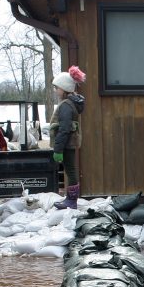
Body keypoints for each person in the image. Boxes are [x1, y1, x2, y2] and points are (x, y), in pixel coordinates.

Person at [50, 66, 86, 210]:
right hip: (69, 142)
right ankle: (70, 199)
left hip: (66, 144)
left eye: (57, 87)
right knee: (70, 169)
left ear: (64, 89)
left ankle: (71, 200)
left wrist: (57, 149)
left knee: (70, 170)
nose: (55, 90)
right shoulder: (71, 104)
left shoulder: (66, 105)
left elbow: (64, 129)